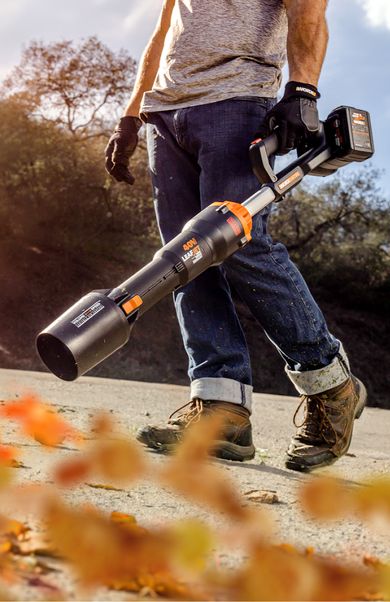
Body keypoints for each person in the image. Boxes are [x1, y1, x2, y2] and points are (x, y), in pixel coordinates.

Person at [105, 0, 366, 472]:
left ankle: (330, 383)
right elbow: (165, 28)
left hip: (238, 100)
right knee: (180, 261)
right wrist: (131, 113)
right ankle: (220, 407)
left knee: (240, 244)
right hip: (165, 111)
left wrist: (303, 89)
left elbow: (308, 6)